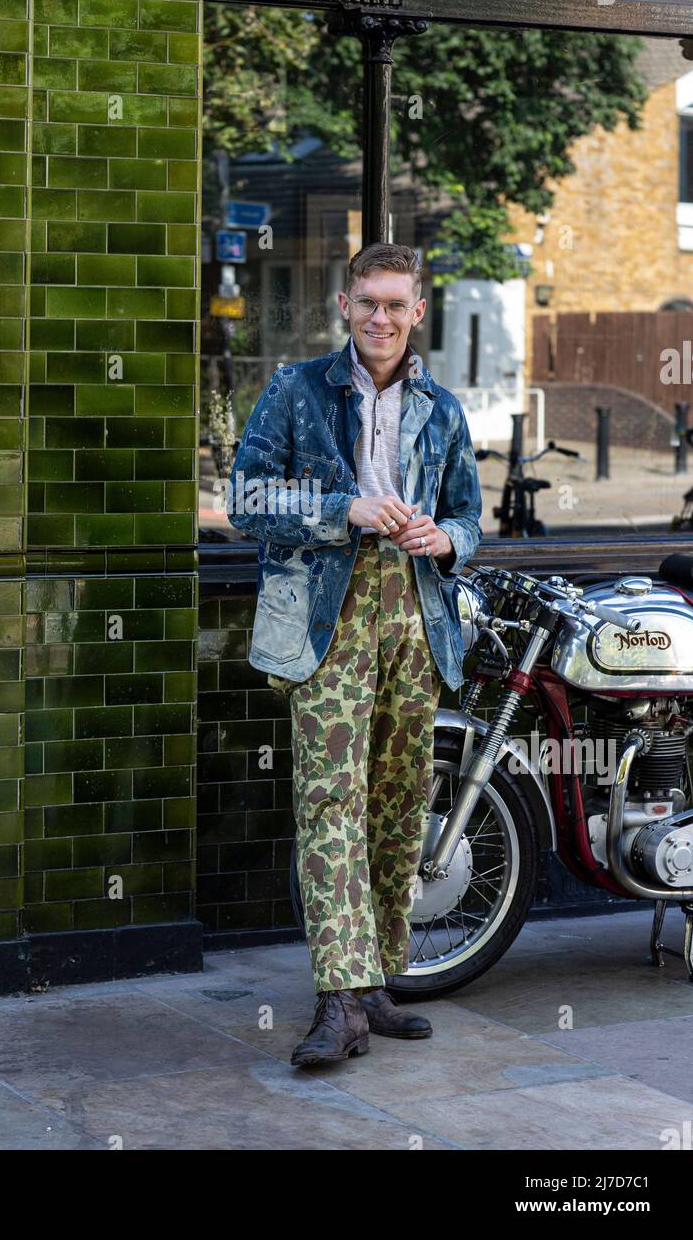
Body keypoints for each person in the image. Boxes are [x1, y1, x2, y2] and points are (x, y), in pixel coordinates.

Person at [227, 242, 483, 1067]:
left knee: (401, 803)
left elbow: (470, 518)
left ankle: (376, 980)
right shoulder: (297, 390)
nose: (380, 318)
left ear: (417, 313)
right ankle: (339, 1001)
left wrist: (446, 539)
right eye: (366, 301)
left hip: (414, 614)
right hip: (327, 620)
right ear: (344, 305)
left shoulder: (442, 407)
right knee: (330, 803)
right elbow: (247, 498)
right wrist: (349, 510)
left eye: (395, 304)